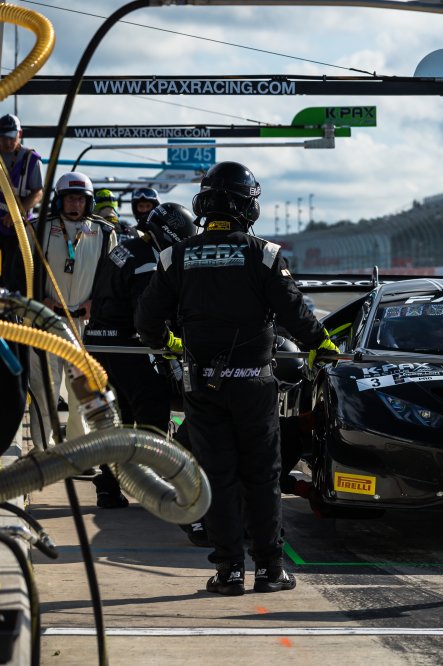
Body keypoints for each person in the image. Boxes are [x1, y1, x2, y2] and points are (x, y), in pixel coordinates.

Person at [135, 161, 337, 596]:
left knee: (216, 477)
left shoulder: (175, 256)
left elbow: (146, 321)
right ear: (248, 206)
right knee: (262, 477)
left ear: (203, 204)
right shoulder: (264, 254)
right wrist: (322, 344)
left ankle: (227, 572)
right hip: (254, 386)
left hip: (202, 386)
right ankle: (270, 570)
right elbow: (296, 314)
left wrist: (169, 343)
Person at [85, 203, 198, 509]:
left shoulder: (126, 249)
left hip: (100, 345)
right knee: (153, 413)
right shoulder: (148, 262)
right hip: (128, 348)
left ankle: (108, 488)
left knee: (117, 419)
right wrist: (171, 343)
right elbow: (147, 316)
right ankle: (153, 487)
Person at [28, 172, 117, 451]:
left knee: (83, 392)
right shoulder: (39, 228)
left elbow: (111, 278)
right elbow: (24, 271)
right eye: (69, 199)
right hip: (44, 321)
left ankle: (80, 450)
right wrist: (37, 299)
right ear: (59, 200)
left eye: (80, 199)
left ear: (88, 202)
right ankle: (43, 452)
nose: (75, 205)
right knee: (45, 389)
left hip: (84, 323)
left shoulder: (104, 232)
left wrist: (96, 304)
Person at [0, 114, 44, 295]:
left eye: (12, 137)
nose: (7, 142)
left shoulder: (31, 160)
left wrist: (16, 213)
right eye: (3, 137)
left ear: (20, 134)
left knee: (15, 274)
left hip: (20, 228)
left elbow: (38, 192)